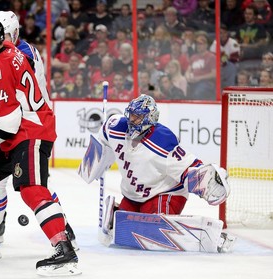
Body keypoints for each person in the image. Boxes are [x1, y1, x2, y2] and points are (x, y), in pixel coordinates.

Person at [0, 18, 80, 276]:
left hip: (31, 130)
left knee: (32, 189)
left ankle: (64, 248)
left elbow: (8, 123)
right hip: (19, 129)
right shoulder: (12, 51)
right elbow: (12, 94)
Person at [79, 94, 233, 252]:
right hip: (133, 196)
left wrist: (207, 179)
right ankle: (119, 213)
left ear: (149, 119)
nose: (132, 120)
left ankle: (198, 234)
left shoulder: (162, 140)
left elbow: (187, 165)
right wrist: (94, 164)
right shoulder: (115, 125)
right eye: (131, 115)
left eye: (137, 117)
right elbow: (104, 135)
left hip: (165, 193)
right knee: (122, 235)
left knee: (154, 232)